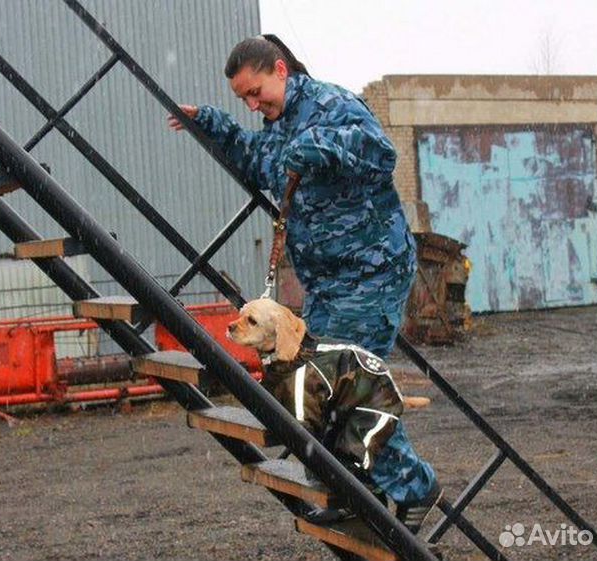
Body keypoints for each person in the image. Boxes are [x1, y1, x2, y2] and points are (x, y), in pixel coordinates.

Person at [168, 35, 441, 533]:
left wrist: (321, 147)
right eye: (243, 101)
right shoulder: (275, 128)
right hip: (329, 284)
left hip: (371, 270)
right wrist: (210, 124)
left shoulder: (331, 105)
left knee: (344, 386)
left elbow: (381, 154)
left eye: (256, 92)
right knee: (319, 384)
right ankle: (363, 495)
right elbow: (256, 160)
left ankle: (414, 487)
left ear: (280, 69)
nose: (254, 105)